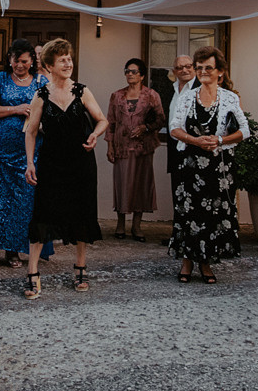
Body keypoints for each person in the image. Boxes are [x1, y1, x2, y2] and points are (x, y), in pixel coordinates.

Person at [23, 38, 108, 296]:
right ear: (49, 66)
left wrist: (95, 135)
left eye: (69, 59)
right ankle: (32, 271)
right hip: (51, 163)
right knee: (43, 214)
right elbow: (31, 131)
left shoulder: (82, 91)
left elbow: (102, 120)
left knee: (81, 213)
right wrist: (30, 162)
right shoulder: (41, 95)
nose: (68, 63)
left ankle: (80, 267)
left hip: (81, 163)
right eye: (62, 60)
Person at [168, 47, 246, 283]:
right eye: (199, 67)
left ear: (219, 71)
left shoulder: (230, 98)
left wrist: (220, 140)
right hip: (190, 165)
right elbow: (174, 128)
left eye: (208, 68)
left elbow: (244, 131)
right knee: (188, 212)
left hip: (218, 167)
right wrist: (195, 141)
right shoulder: (187, 97)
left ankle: (206, 263)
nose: (202, 71)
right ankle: (186, 262)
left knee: (212, 214)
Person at [0, 40, 42, 267]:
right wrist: (16, 109)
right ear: (9, 60)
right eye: (15, 61)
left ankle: (13, 251)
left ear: (32, 61)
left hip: (27, 155)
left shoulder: (40, 83)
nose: (19, 65)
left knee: (21, 203)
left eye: (24, 61)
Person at [105, 58, 163, 239]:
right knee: (122, 185)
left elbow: (160, 119)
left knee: (141, 185)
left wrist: (145, 127)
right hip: (121, 147)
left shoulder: (152, 95)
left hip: (143, 148)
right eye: (127, 71)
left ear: (142, 75)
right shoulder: (116, 96)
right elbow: (110, 122)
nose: (129, 74)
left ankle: (137, 226)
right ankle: (120, 225)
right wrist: (109, 146)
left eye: (133, 71)